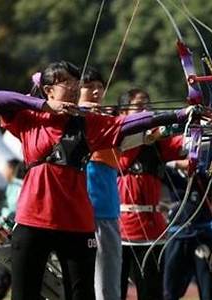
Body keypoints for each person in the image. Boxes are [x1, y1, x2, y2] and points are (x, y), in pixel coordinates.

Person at [0, 60, 193, 300]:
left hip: (77, 223)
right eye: (66, 82)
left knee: (82, 294)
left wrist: (179, 115)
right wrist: (45, 106)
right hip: (33, 220)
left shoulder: (88, 123)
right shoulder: (30, 119)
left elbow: (129, 123)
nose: (74, 87)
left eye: (76, 82)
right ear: (48, 89)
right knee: (25, 293)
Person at [116, 88, 186, 300]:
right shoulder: (116, 137)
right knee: (113, 291)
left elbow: (184, 144)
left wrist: (205, 127)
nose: (146, 111)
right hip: (119, 228)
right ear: (123, 113)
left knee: (151, 291)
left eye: (148, 106)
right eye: (138, 106)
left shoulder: (157, 142)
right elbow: (130, 140)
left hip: (151, 228)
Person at [78, 67, 122, 300]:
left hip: (103, 210)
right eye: (89, 86)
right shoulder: (66, 119)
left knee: (106, 281)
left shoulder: (109, 122)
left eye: (99, 86)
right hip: (73, 213)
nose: (96, 91)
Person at [161, 159, 212, 300]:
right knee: (170, 287)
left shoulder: (204, 175)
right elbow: (158, 164)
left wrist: (198, 166)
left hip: (202, 236)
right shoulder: (172, 175)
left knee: (208, 286)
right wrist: (178, 163)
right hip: (177, 236)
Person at [0, 159, 24, 300]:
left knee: (5, 272)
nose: (3, 172)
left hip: (9, 233)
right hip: (9, 232)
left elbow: (12, 210)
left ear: (12, 169)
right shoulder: (13, 186)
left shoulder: (16, 186)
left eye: (6, 168)